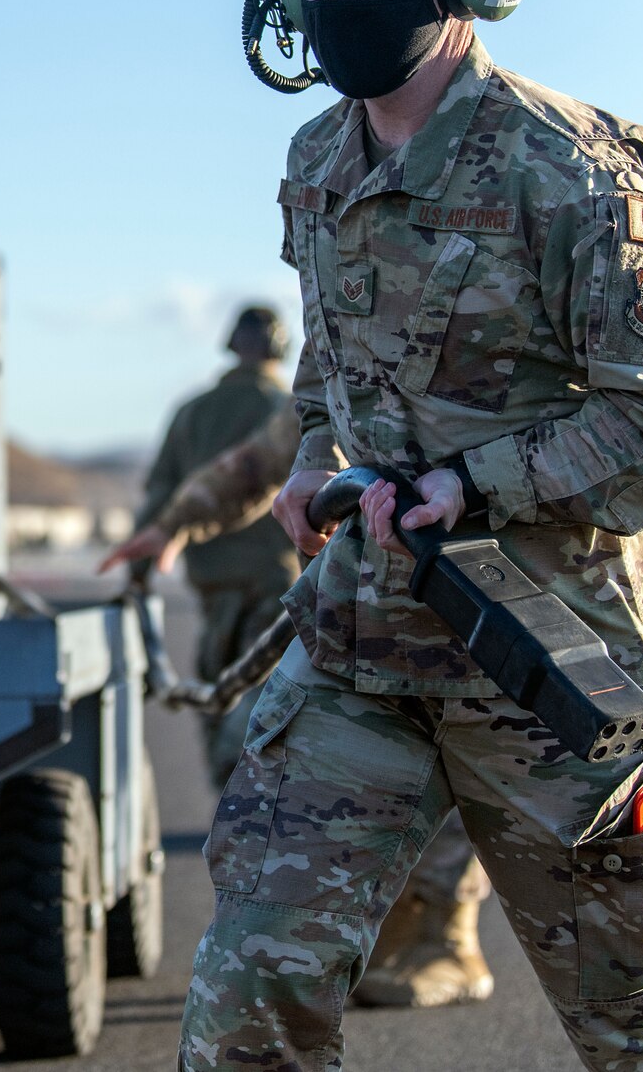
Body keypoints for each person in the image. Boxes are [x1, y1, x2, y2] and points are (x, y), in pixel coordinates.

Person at [180, 0, 643, 1070]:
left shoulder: (569, 171)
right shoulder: (315, 160)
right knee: (248, 995)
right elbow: (333, 349)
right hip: (366, 649)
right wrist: (308, 451)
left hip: (553, 661)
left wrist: (469, 481)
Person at [104, 410, 496, 1009]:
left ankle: (445, 937)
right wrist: (172, 525)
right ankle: (361, 933)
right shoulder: (356, 360)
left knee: (466, 772)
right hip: (361, 617)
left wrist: (471, 484)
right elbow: (263, 457)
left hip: (478, 611)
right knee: (275, 750)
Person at [123, 306, 301, 789]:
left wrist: (137, 575)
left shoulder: (191, 412)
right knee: (263, 701)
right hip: (277, 583)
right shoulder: (290, 410)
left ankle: (229, 802)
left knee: (215, 693)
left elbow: (160, 495)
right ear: (279, 347)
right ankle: (250, 797)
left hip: (211, 586)